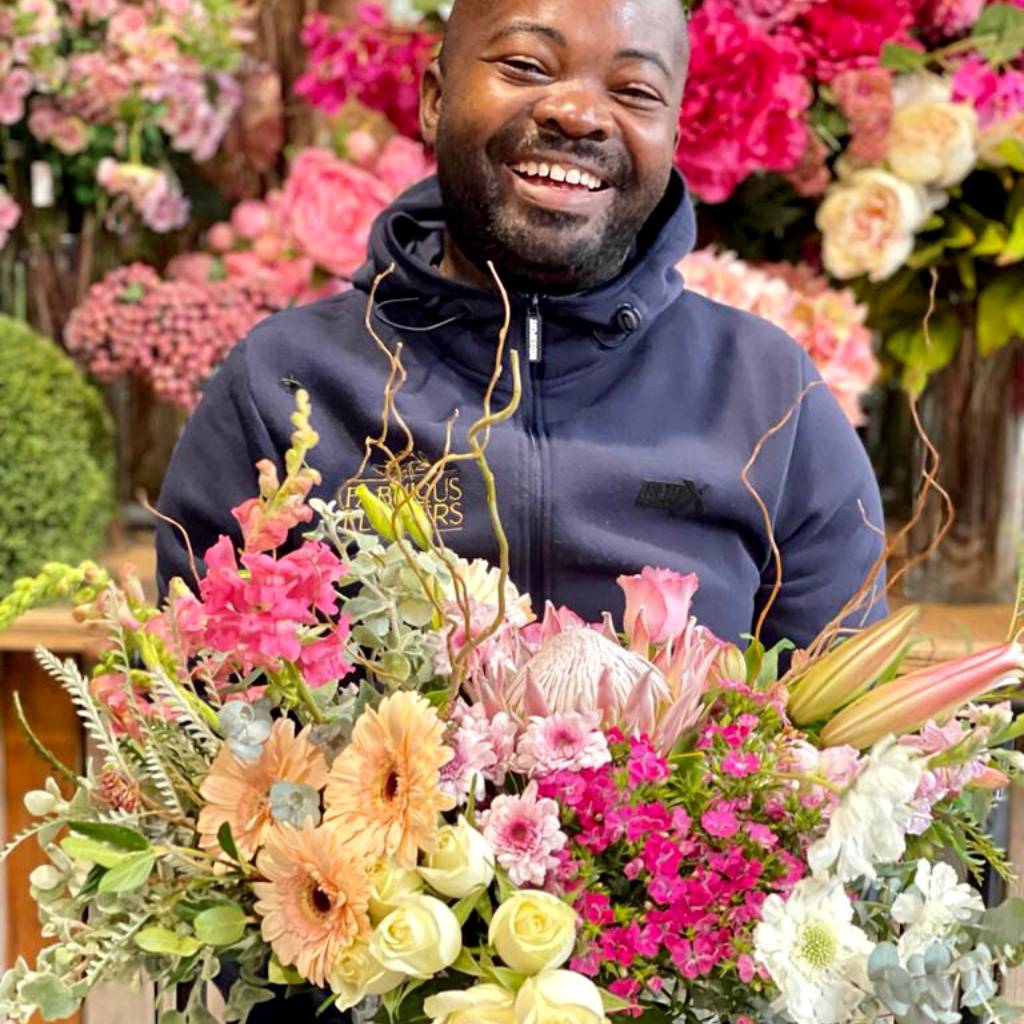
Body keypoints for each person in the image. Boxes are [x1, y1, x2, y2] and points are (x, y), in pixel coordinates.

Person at [158, 0, 887, 1016]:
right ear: (431, 95)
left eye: (632, 90)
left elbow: (840, 759)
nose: (579, 113)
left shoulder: (766, 396)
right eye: (526, 64)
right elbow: (212, 731)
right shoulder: (286, 383)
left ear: (673, 131)